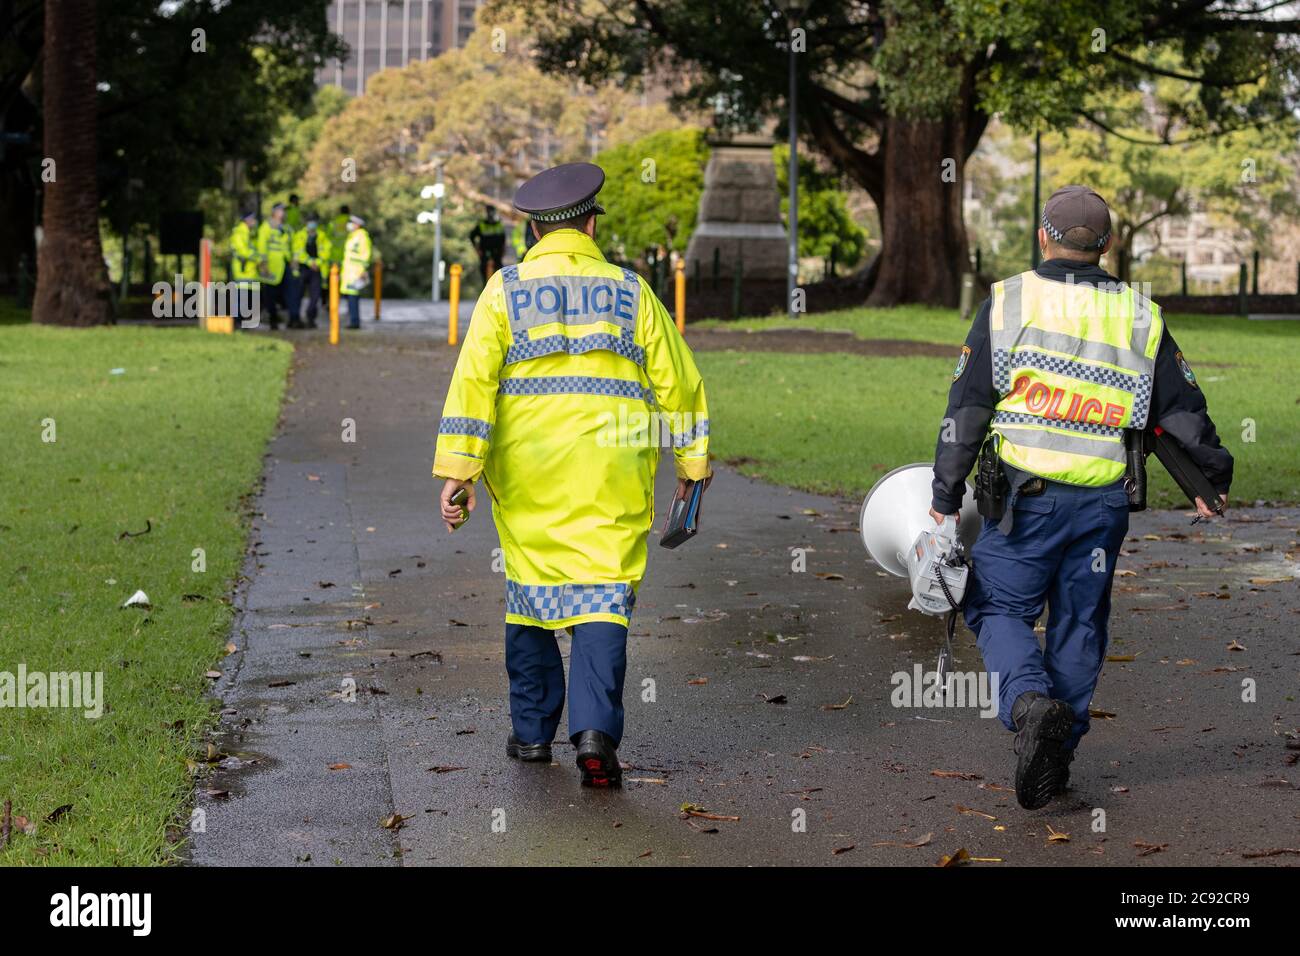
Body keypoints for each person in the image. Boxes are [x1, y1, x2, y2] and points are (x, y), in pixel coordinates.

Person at [929, 185, 1233, 809]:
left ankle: (1028, 705)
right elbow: (1177, 410)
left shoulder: (1009, 301)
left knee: (994, 607)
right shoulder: (1140, 313)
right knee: (1080, 625)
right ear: (1107, 245)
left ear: (1043, 236)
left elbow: (969, 407)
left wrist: (944, 492)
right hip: (1101, 507)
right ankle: (1056, 758)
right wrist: (1209, 482)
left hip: (1024, 505)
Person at [433, 163, 711, 788]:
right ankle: (594, 735)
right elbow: (680, 382)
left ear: (534, 230)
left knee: (530, 589)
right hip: (614, 466)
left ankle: (533, 735)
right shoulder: (632, 291)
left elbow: (473, 383)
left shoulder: (503, 290)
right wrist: (692, 467)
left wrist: (459, 472)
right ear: (590, 223)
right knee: (604, 592)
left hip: (530, 471)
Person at [255, 202, 292, 330]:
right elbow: (261, 246)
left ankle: (280, 318)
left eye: (284, 210)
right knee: (270, 295)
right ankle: (272, 320)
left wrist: (291, 260)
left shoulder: (284, 228)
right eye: (281, 210)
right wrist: (263, 263)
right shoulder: (266, 227)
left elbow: (285, 246)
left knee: (283, 294)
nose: (283, 213)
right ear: (274, 212)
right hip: (270, 267)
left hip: (282, 265)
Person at [291, 216, 331, 329]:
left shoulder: (322, 236)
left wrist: (317, 262)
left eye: (313, 222)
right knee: (298, 294)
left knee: (315, 296)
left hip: (316, 270)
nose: (312, 225)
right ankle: (295, 318)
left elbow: (326, 252)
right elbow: (297, 251)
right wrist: (309, 262)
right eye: (310, 222)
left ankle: (311, 318)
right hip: (303, 268)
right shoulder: (300, 235)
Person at [228, 209, 261, 329]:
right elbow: (242, 251)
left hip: (249, 272)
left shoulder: (248, 232)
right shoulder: (240, 232)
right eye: (253, 218)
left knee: (246, 299)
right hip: (242, 271)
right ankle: (237, 323)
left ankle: (243, 323)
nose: (254, 221)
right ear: (247, 219)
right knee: (241, 298)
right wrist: (256, 257)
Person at [340, 214, 373, 330]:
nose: (349, 224)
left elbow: (366, 255)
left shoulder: (362, 237)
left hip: (355, 272)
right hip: (349, 272)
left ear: (357, 224)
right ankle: (352, 320)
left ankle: (355, 321)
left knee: (353, 298)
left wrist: (362, 271)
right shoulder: (352, 236)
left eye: (352, 222)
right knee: (349, 297)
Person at [469, 204, 507, 282]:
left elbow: (503, 238)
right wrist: (477, 249)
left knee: (499, 273)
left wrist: (503, 249)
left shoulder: (499, 224)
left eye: (492, 212)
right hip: (485, 252)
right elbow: (472, 236)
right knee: (484, 274)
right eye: (489, 212)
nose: (490, 214)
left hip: (497, 252)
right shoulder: (481, 225)